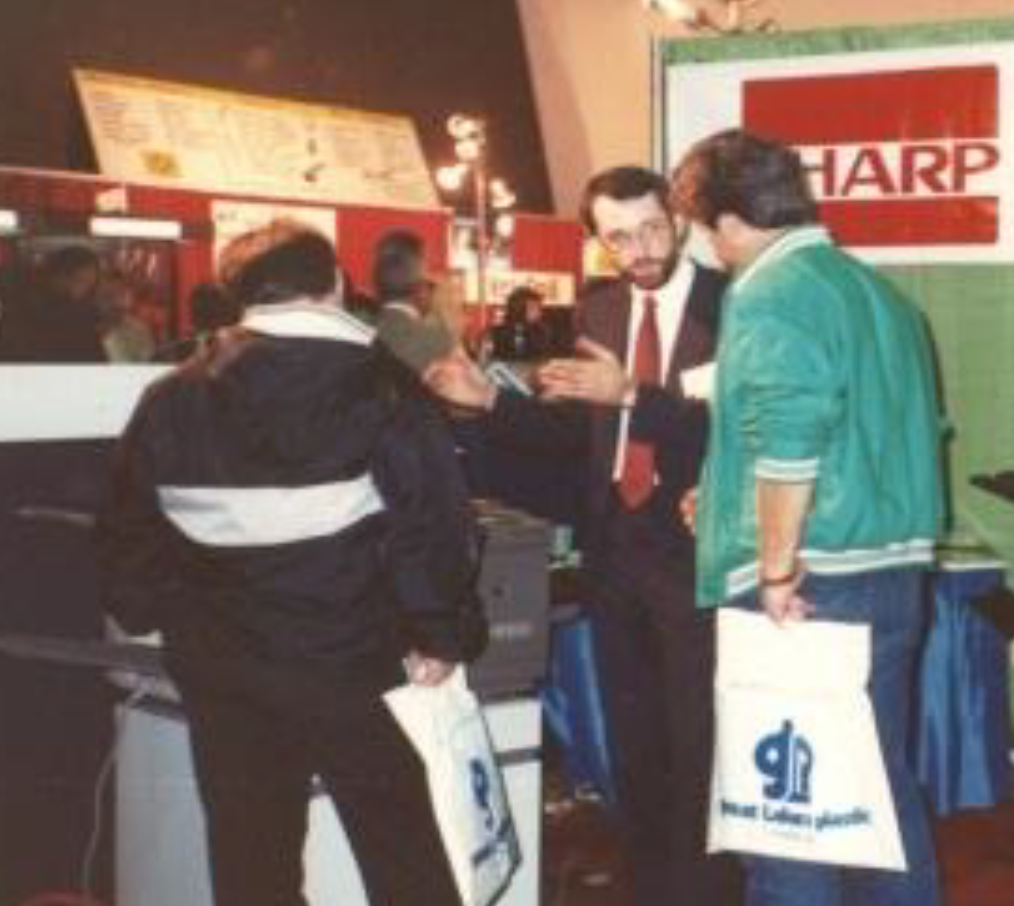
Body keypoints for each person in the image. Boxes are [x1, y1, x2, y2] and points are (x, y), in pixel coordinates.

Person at [96, 221, 484, 906]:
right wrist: (442, 634)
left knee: (253, 866)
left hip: (222, 666)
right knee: (404, 858)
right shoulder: (379, 383)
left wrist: (152, 613)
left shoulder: (172, 394)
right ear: (334, 283)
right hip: (349, 662)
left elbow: (127, 529)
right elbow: (431, 524)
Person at [426, 165, 737, 906]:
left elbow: (741, 428)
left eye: (652, 228)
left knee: (701, 747)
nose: (640, 249)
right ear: (598, 241)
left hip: (697, 548)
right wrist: (490, 402)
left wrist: (633, 395)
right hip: (614, 554)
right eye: (619, 237)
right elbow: (581, 436)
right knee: (634, 745)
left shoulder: (734, 304)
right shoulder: (599, 310)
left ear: (679, 222)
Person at [671, 129, 946, 906]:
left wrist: (775, 566)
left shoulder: (768, 291)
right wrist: (728, 499)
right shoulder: (880, 296)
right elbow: (860, 437)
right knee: (874, 798)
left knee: (786, 816)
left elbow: (791, 441)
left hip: (809, 587)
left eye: (708, 231)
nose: (713, 250)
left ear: (731, 220)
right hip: (888, 577)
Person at [7, 244, 106, 362]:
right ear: (60, 276)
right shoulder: (34, 308)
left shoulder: (67, 302)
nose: (85, 289)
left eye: (91, 283)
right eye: (82, 281)